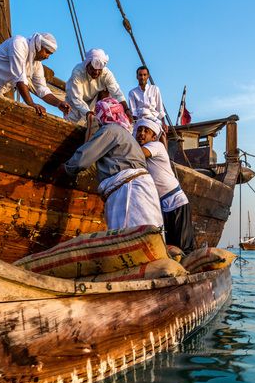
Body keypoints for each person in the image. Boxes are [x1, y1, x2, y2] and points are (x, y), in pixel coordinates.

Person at [64, 100, 162, 231]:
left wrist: (66, 168)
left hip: (129, 190)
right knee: (151, 236)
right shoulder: (127, 135)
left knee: (128, 238)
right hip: (143, 188)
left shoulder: (110, 130)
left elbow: (82, 160)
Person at [0, 33, 70, 117]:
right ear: (39, 45)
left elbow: (42, 89)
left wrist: (58, 103)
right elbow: (19, 78)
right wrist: (31, 104)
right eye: (47, 52)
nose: (47, 57)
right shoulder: (19, 43)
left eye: (50, 54)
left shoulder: (37, 65)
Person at [133, 117, 195, 253]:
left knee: (183, 246)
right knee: (170, 246)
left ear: (154, 137)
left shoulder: (155, 146)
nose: (141, 133)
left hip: (176, 201)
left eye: (146, 131)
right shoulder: (142, 148)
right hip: (163, 204)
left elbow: (138, 154)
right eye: (139, 130)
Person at [65, 48, 131, 128]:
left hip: (94, 100)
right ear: (87, 65)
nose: (96, 72)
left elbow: (117, 93)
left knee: (92, 125)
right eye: (93, 69)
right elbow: (76, 98)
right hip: (74, 101)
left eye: (99, 70)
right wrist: (88, 112)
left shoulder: (107, 74)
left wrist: (127, 110)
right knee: (69, 124)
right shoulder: (78, 72)